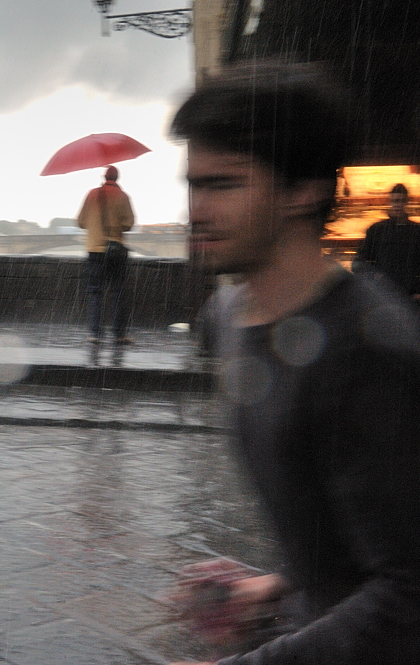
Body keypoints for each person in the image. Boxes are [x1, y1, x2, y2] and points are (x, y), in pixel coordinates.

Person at [167, 62, 420, 665]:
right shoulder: (228, 315)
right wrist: (274, 585)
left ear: (302, 189)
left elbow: (408, 594)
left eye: (223, 185)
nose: (196, 211)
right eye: (192, 186)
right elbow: (350, 538)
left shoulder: (368, 350)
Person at [77, 165, 135, 344]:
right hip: (115, 250)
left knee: (95, 292)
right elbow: (129, 224)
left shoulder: (91, 195)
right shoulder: (124, 197)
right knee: (118, 293)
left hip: (95, 250)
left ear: (104, 176)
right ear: (117, 178)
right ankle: (118, 334)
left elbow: (80, 222)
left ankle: (95, 333)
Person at [352, 183, 420, 301]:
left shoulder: (378, 230)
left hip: (394, 295)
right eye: (395, 201)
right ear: (390, 202)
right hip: (396, 295)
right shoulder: (377, 230)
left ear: (406, 202)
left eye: (401, 201)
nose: (398, 205)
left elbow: (359, 264)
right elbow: (359, 264)